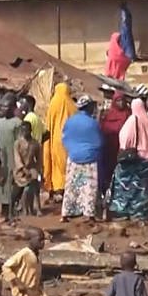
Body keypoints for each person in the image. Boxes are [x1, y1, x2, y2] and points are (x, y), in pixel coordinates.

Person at [109, 98, 148, 221]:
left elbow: (125, 137)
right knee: (143, 188)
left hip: (135, 158)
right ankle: (140, 214)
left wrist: (123, 148)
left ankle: (122, 211)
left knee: (125, 184)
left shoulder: (133, 119)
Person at [60, 95, 102, 223]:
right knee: (89, 187)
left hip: (73, 158)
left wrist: (73, 149)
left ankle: (66, 213)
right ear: (88, 107)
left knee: (71, 186)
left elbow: (64, 138)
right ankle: (88, 213)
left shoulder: (70, 121)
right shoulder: (93, 123)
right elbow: (99, 141)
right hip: (90, 159)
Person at [44, 83, 75, 200]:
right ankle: (68, 189)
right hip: (70, 141)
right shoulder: (72, 105)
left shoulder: (53, 103)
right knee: (68, 164)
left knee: (56, 164)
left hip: (56, 139)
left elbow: (49, 123)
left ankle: (58, 189)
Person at [0, 96, 23, 219]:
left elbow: (20, 141)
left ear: (12, 108)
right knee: (1, 183)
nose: (4, 109)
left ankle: (11, 209)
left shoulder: (17, 123)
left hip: (13, 156)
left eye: (7, 107)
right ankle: (3, 210)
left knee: (12, 183)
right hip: (1, 156)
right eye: (3, 107)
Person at [99, 91, 130, 195]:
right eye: (118, 101)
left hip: (122, 147)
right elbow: (102, 128)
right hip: (109, 147)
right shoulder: (108, 114)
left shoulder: (128, 113)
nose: (120, 103)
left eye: (122, 100)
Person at [13, 121, 42, 217]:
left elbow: (39, 159)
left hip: (32, 168)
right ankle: (24, 208)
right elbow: (17, 158)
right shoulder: (18, 143)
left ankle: (38, 208)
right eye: (23, 130)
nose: (24, 132)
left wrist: (39, 170)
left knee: (35, 184)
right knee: (26, 188)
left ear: (30, 130)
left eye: (26, 130)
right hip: (20, 171)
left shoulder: (35, 143)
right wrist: (23, 168)